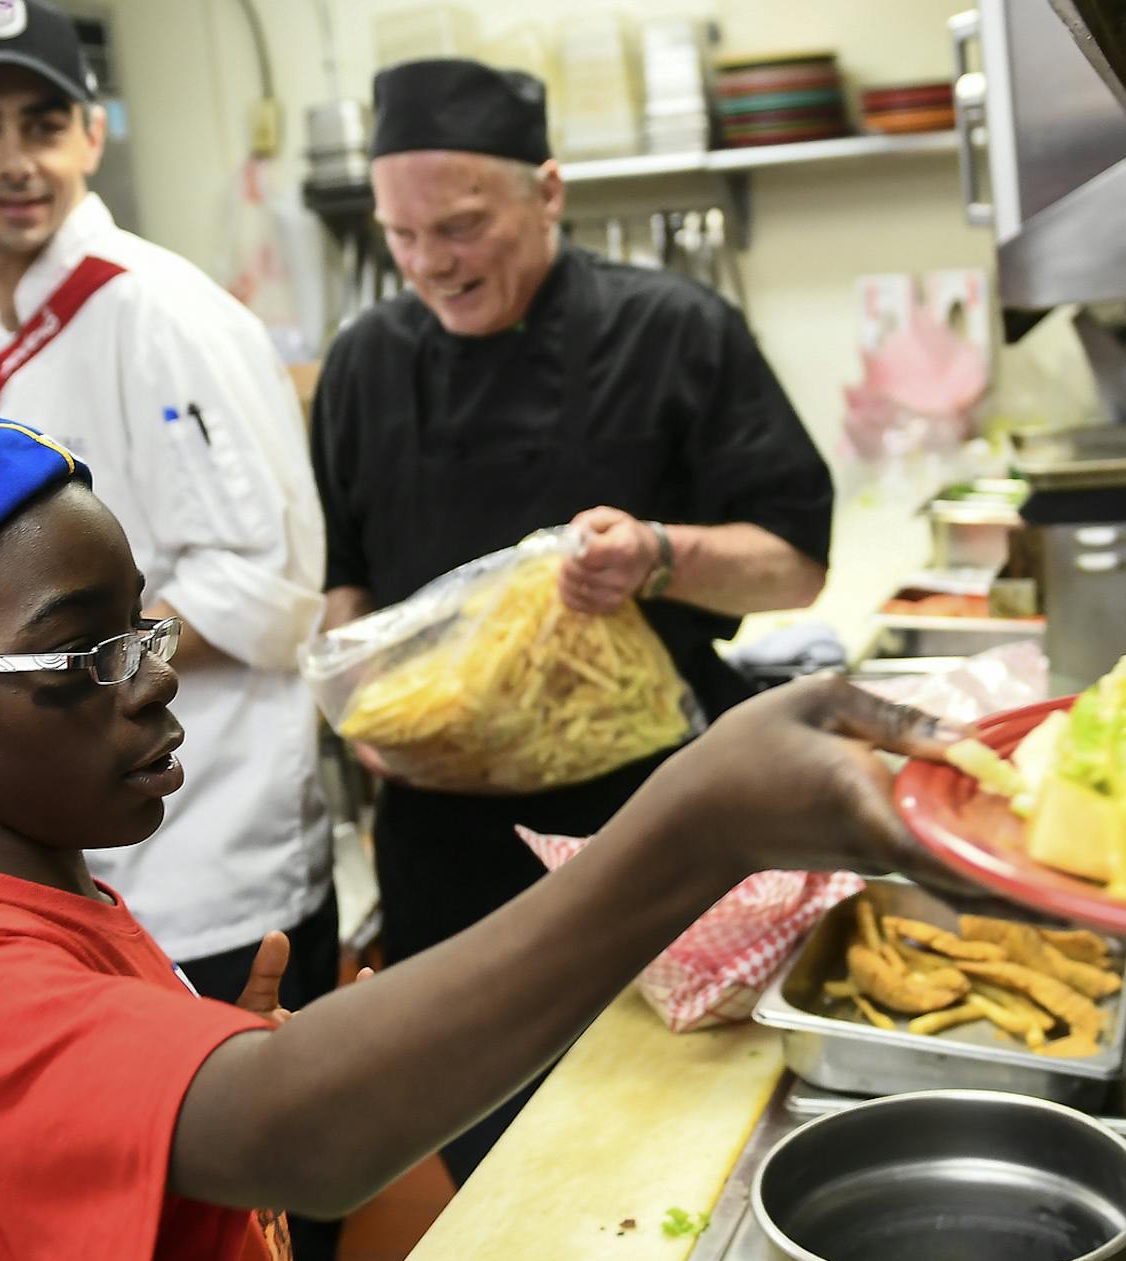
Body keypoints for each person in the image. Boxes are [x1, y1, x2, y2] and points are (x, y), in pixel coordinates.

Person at [0, 416, 954, 1261]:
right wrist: (697, 828)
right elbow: (298, 1139)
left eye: (144, 628)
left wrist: (212, 1079)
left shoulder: (51, 899)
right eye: (85, 652)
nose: (154, 675)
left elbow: (210, 1148)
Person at [0, 0, 346, 1261]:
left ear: (95, 133)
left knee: (269, 1243)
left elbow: (260, 589)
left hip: (209, 845)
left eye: (44, 121)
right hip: (103, 860)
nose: (15, 157)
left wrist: (44, 670)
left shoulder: (154, 313)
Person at [311, 58, 835, 1179]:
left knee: (663, 1152)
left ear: (548, 191)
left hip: (645, 834)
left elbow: (792, 566)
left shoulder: (677, 332)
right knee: (484, 1157)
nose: (430, 265)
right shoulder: (363, 365)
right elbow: (346, 581)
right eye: (402, 236)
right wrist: (355, 696)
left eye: (460, 227)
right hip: (441, 851)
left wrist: (660, 554)